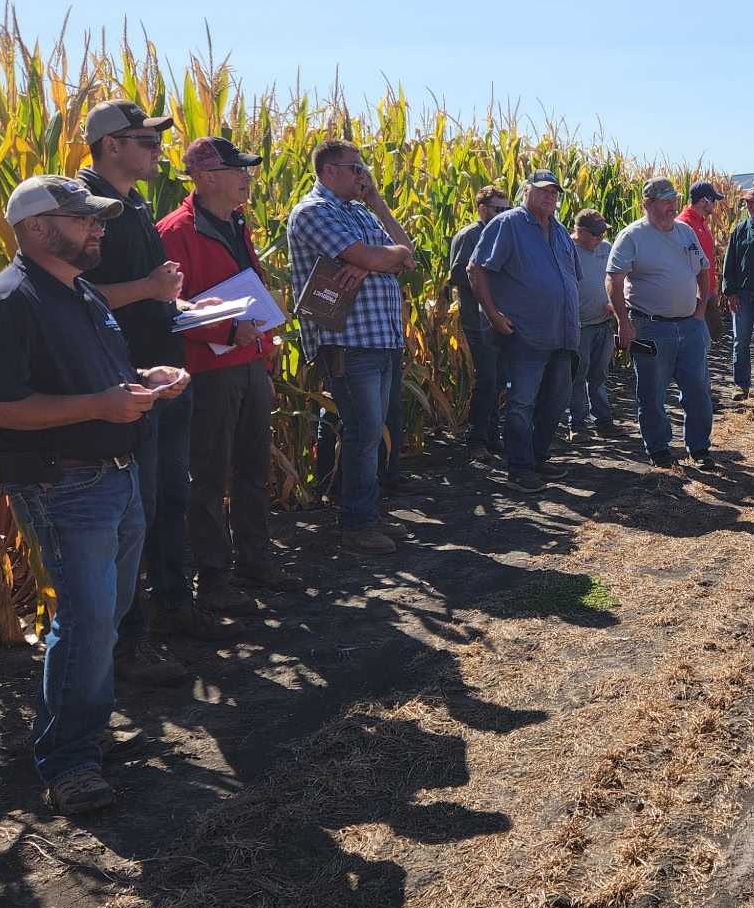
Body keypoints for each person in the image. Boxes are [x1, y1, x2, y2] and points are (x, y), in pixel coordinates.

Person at [0, 175, 190, 815]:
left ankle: (78, 728)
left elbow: (107, 377)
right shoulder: (5, 302)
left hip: (116, 475)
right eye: (84, 220)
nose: (98, 229)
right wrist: (101, 404)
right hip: (63, 482)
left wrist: (149, 380)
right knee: (87, 619)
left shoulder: (82, 293)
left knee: (108, 613)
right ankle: (69, 761)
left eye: (97, 220)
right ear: (37, 228)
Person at [77, 98, 236, 682]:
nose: (158, 150)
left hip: (167, 371)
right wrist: (148, 288)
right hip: (125, 379)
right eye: (146, 141)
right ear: (111, 145)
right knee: (136, 512)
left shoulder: (137, 203)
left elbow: (150, 292)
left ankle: (172, 607)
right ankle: (128, 638)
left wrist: (187, 305)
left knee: (170, 497)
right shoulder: (86, 207)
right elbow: (80, 295)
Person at [157, 137, 290, 615]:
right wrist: (228, 328)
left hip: (249, 364)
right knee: (209, 477)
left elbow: (248, 294)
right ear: (207, 176)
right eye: (238, 170)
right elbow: (166, 306)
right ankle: (213, 579)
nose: (247, 176)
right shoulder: (175, 231)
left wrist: (263, 358)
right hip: (209, 371)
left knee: (253, 470)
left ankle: (257, 561)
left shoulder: (236, 223)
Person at [286, 138, 417, 555]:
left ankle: (368, 513)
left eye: (364, 169)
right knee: (362, 432)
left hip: (381, 338)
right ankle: (356, 524)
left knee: (373, 432)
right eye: (355, 168)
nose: (363, 176)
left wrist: (377, 205)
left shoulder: (360, 212)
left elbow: (407, 257)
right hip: (347, 341)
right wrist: (374, 260)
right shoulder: (314, 212)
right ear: (329, 171)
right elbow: (376, 258)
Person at [469, 173, 582, 492]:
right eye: (543, 191)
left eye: (554, 192)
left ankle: (537, 458)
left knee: (555, 401)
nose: (549, 196)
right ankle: (519, 469)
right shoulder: (508, 224)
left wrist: (575, 322)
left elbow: (571, 280)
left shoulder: (560, 231)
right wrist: (492, 314)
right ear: (526, 192)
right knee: (521, 403)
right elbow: (476, 269)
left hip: (561, 335)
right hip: (525, 335)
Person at [608, 177, 716, 468]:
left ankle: (699, 449)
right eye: (666, 200)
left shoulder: (685, 232)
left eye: (674, 199)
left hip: (690, 326)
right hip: (650, 327)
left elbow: (703, 270)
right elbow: (614, 280)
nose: (673, 205)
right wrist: (623, 322)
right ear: (648, 204)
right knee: (652, 393)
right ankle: (659, 450)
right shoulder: (632, 236)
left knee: (698, 390)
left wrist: (700, 308)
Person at [446, 186, 513, 459]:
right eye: (499, 209)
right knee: (486, 382)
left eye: (508, 210)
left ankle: (491, 435)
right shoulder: (470, 236)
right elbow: (460, 276)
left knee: (499, 382)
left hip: (501, 320)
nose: (504, 214)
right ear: (482, 209)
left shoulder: (503, 234)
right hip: (479, 322)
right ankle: (476, 441)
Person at [720, 185, 754, 401]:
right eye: (746, 201)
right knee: (740, 342)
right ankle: (741, 385)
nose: (748, 205)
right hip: (742, 295)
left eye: (752, 201)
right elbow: (729, 264)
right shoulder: (740, 230)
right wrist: (730, 292)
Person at [568, 208, 618, 437]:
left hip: (604, 323)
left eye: (603, 233)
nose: (601, 238)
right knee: (577, 377)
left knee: (599, 377)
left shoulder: (606, 248)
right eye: (596, 234)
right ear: (580, 231)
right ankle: (577, 425)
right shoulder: (566, 250)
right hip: (579, 327)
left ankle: (603, 422)